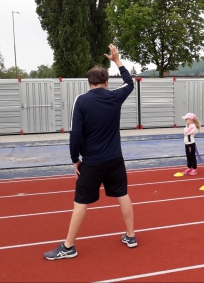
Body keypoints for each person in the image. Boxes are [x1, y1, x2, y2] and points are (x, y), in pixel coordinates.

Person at [44, 44, 136, 260]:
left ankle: (68, 246)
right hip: (115, 159)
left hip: (93, 161)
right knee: (122, 194)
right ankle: (131, 236)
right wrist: (117, 61)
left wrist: (74, 159)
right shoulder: (115, 96)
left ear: (89, 83)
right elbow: (130, 82)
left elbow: (76, 133)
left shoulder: (82, 100)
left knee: (81, 202)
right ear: (106, 82)